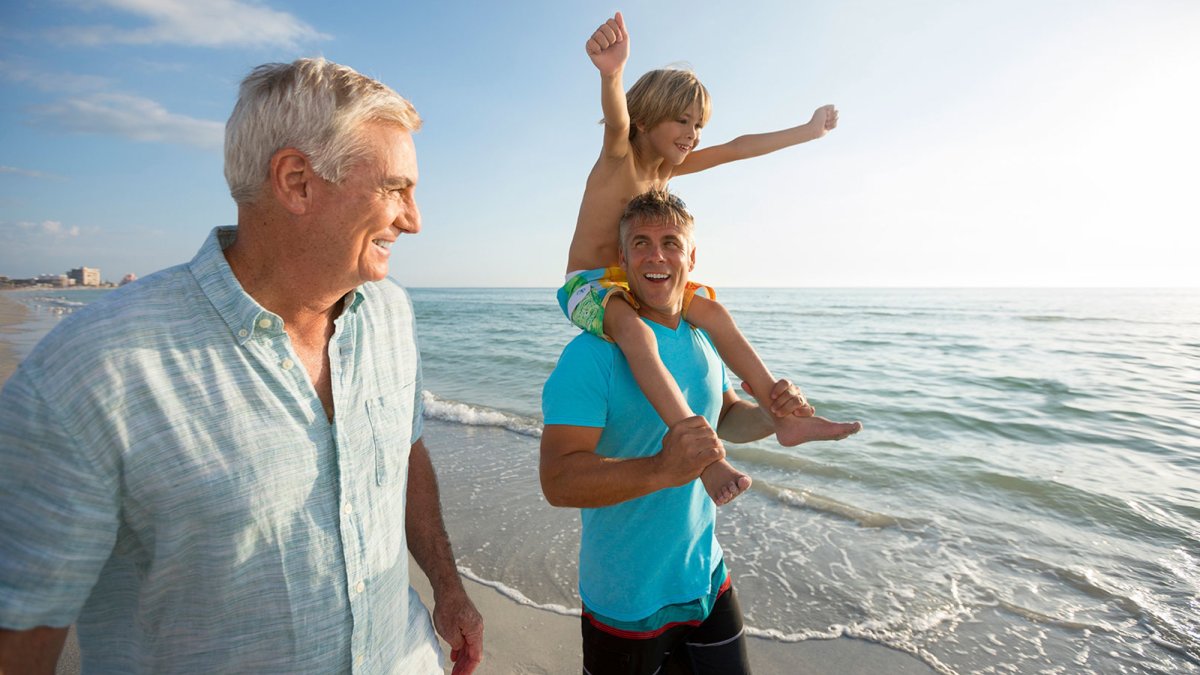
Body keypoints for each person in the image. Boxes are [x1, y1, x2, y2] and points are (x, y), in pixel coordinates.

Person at [0, 58, 483, 674]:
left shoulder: (390, 313)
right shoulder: (92, 373)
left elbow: (405, 449)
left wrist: (447, 587)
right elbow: (20, 641)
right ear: (297, 181)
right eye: (395, 188)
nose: (414, 219)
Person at [561, 12, 861, 507]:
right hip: (590, 286)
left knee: (714, 312)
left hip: (639, 281)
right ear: (648, 117)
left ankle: (783, 415)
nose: (694, 134)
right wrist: (611, 74)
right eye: (683, 120)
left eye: (698, 124)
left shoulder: (666, 170)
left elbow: (736, 149)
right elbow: (617, 119)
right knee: (634, 332)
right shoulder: (621, 156)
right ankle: (701, 451)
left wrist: (807, 133)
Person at [542, 189, 815, 674]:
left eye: (670, 242)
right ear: (622, 259)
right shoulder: (591, 355)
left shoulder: (700, 336)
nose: (657, 255)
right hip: (626, 598)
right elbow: (558, 482)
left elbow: (725, 416)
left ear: (692, 257)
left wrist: (775, 418)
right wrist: (661, 469)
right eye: (641, 243)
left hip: (706, 579)